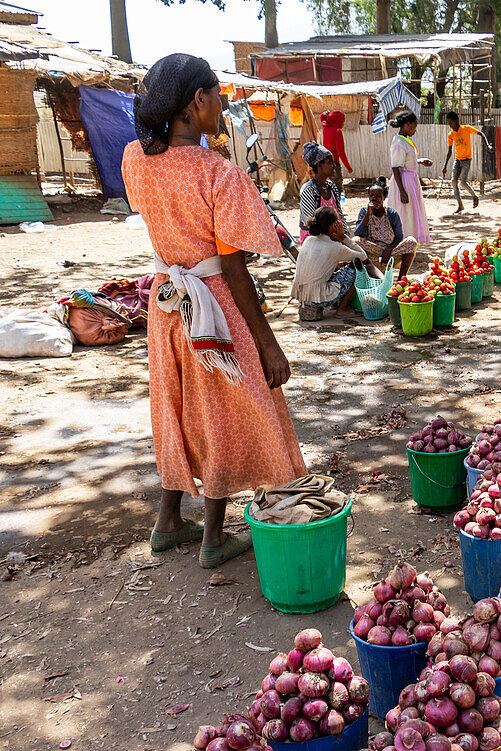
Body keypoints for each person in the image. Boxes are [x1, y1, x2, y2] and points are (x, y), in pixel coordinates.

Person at [122, 53, 305, 568]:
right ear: (196, 101)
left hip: (166, 304)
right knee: (221, 410)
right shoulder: (218, 173)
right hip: (213, 307)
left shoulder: (136, 160)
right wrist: (268, 342)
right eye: (217, 94)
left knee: (177, 406)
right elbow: (233, 270)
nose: (222, 104)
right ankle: (214, 538)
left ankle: (169, 521)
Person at [291, 206, 365, 316]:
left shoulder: (308, 240)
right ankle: (343, 308)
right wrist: (343, 237)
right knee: (358, 268)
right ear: (333, 226)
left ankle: (336, 304)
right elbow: (363, 256)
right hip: (318, 298)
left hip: (301, 295)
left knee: (338, 267)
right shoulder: (335, 247)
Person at [354, 177, 419, 278]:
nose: (374, 199)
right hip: (372, 255)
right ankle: (365, 276)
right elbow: (358, 234)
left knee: (412, 242)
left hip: (390, 255)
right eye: (371, 196)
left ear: (384, 197)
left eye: (378, 196)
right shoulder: (364, 212)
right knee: (355, 241)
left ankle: (401, 279)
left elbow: (399, 237)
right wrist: (368, 214)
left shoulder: (392, 214)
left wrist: (388, 249)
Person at [389, 111, 432, 244]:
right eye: (414, 126)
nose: (415, 130)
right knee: (404, 212)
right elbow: (396, 167)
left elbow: (405, 162)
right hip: (403, 182)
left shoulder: (404, 141)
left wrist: (419, 161)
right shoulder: (398, 142)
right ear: (407, 124)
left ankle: (411, 241)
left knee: (411, 212)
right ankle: (403, 241)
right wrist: (402, 191)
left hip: (410, 181)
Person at [441, 111, 492, 214]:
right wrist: (445, 165)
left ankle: (474, 196)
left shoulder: (466, 129)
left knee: (463, 183)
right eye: (448, 123)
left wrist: (487, 145)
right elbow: (449, 151)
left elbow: (481, 134)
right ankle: (460, 205)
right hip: (457, 160)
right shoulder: (451, 135)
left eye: (451, 123)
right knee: (454, 182)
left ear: (457, 121)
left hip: (466, 160)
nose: (450, 125)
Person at [298, 142, 347, 244]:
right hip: (315, 239)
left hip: (334, 237)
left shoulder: (331, 187)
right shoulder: (308, 190)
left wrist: (345, 235)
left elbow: (339, 214)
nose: (334, 166)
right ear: (319, 165)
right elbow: (313, 224)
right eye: (330, 162)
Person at [319, 110, 353, 194]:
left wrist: (326, 113)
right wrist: (348, 167)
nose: (343, 124)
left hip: (324, 162)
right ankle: (336, 205)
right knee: (337, 188)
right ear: (338, 121)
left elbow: (322, 116)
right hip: (334, 164)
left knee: (328, 186)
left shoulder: (325, 127)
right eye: (342, 121)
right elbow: (341, 152)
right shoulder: (337, 132)